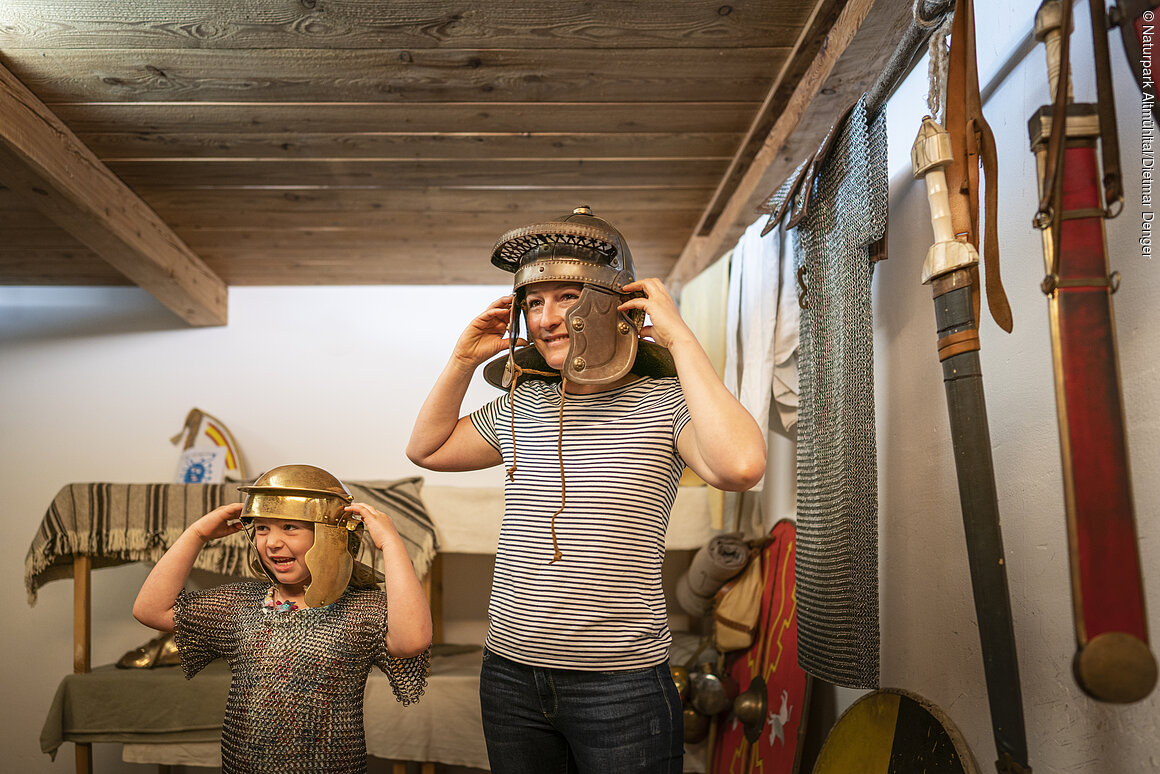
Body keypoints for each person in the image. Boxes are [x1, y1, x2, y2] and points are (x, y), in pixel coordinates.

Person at [406, 206, 766, 773]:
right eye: (533, 302)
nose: (546, 317)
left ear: (615, 303)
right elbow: (427, 449)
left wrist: (679, 338)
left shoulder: (667, 402)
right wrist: (459, 361)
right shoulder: (525, 401)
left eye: (566, 297)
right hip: (511, 677)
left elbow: (742, 465)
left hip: (620, 688)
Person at [132, 464, 432, 774]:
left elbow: (412, 640)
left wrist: (391, 544)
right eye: (262, 528)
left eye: (289, 526)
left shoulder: (361, 610)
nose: (272, 542)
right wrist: (197, 534)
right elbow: (151, 610)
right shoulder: (240, 605)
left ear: (329, 536)